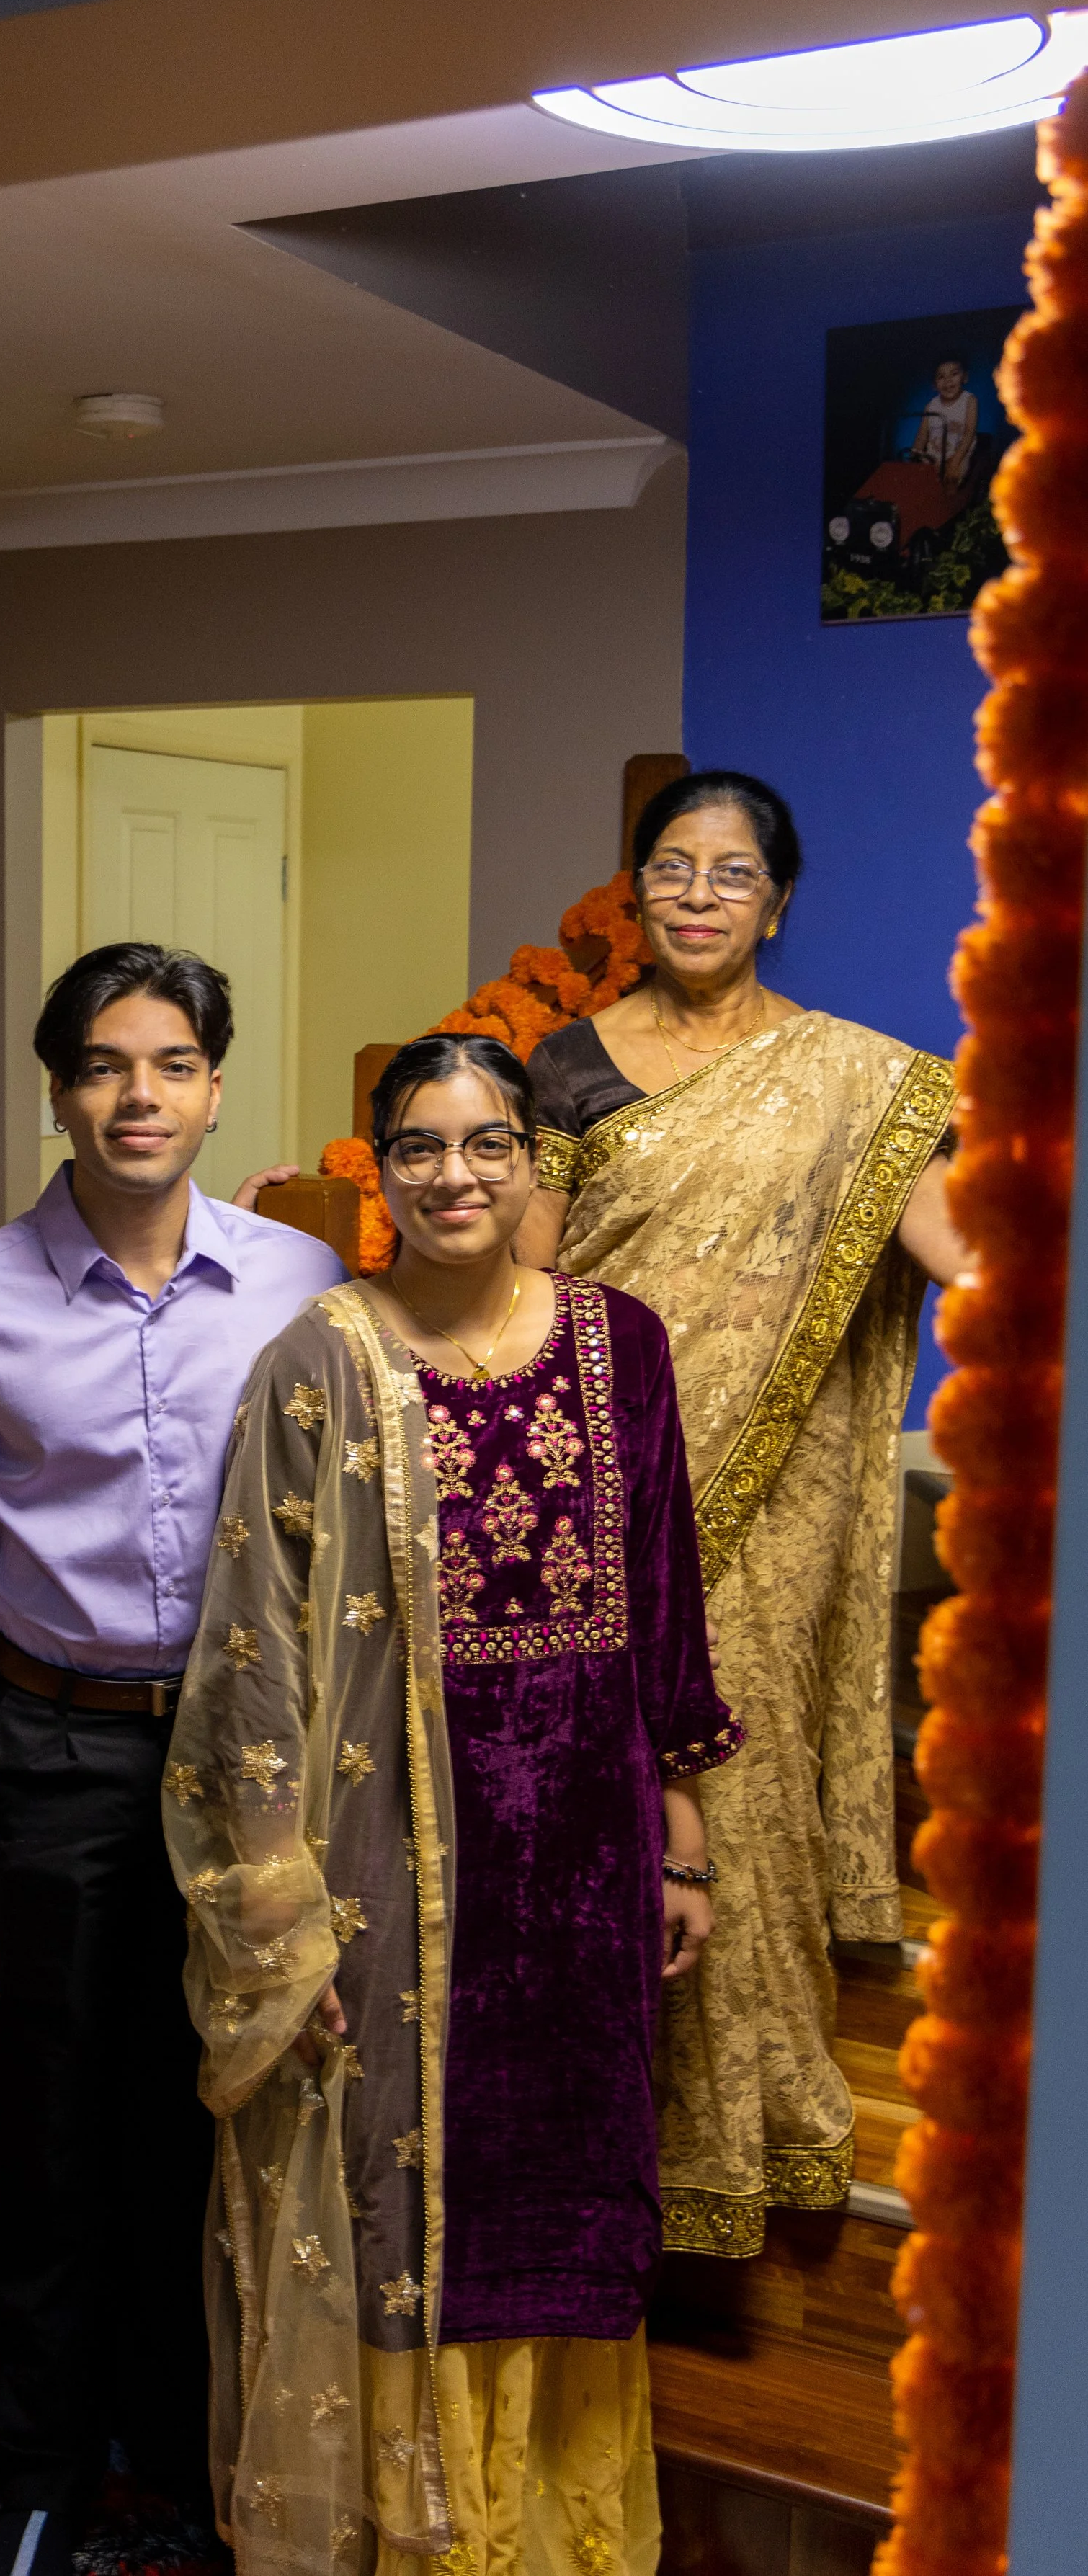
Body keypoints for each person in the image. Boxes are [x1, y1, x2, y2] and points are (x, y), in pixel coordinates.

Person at [168, 1031, 740, 2575]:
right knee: (393, 2189)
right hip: (387, 1864)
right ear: (377, 1171)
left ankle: (546, 2534)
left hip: (584, 1849)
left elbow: (665, 1586)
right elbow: (253, 1649)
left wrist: (681, 1823)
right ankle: (415, 2537)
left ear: (532, 1162)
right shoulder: (317, 1360)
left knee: (567, 2178)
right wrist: (280, 1909)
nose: (451, 1176)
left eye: (485, 1143)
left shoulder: (621, 1345)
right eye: (415, 1147)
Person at [0, 942, 346, 2576]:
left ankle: (190, 2447)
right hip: (51, 1747)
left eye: (171, 1061)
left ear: (215, 1082)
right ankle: (43, 2476)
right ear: (58, 1086)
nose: (139, 1095)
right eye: (103, 1064)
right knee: (54, 2123)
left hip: (244, 1759)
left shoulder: (297, 1280)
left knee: (211, 2113)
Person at [517, 769, 964, 2260]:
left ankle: (742, 2142)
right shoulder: (564, 1067)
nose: (697, 892)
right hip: (591, 1497)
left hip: (765, 1525)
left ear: (775, 900)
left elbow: (960, 1251)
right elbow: (519, 1288)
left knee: (739, 1812)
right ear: (629, 891)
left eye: (729, 872)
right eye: (669, 866)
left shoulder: (854, 1079)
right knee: (588, 1818)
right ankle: (588, 2147)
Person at [911, 353, 978, 489]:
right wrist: (914, 457)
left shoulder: (969, 401)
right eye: (941, 377)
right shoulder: (931, 406)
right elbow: (922, 436)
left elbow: (969, 434)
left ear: (965, 377)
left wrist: (954, 463)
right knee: (917, 480)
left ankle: (950, 503)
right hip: (932, 456)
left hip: (958, 454)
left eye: (954, 374)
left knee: (953, 478)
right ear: (934, 385)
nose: (948, 381)